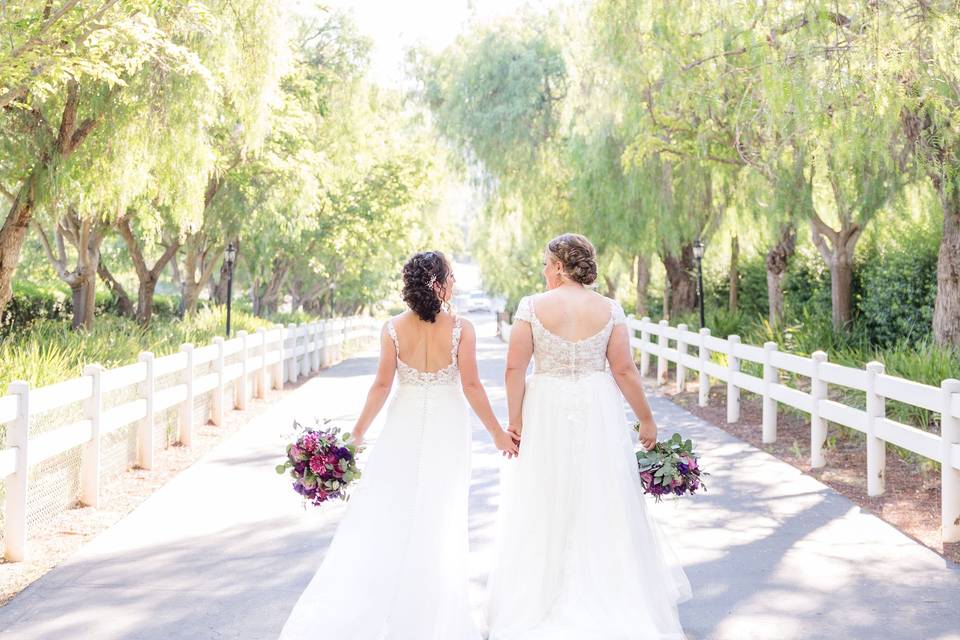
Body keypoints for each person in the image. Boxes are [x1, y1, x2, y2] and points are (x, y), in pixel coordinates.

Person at [279, 251, 518, 640]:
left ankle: (396, 603)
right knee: (440, 513)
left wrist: (354, 438)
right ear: (439, 283)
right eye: (451, 276)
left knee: (395, 508)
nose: (455, 281)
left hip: (403, 426)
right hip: (446, 427)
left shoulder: (393, 328)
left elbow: (381, 386)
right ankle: (433, 613)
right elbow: (472, 386)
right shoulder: (462, 328)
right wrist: (497, 434)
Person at [486, 233, 691, 640]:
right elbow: (625, 370)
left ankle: (542, 599)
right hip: (599, 408)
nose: (544, 271)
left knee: (544, 496)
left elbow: (514, 369)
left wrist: (515, 421)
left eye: (547, 263)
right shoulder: (610, 310)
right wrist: (645, 418)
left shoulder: (531, 307)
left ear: (560, 266)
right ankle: (613, 595)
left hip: (545, 407)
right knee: (603, 495)